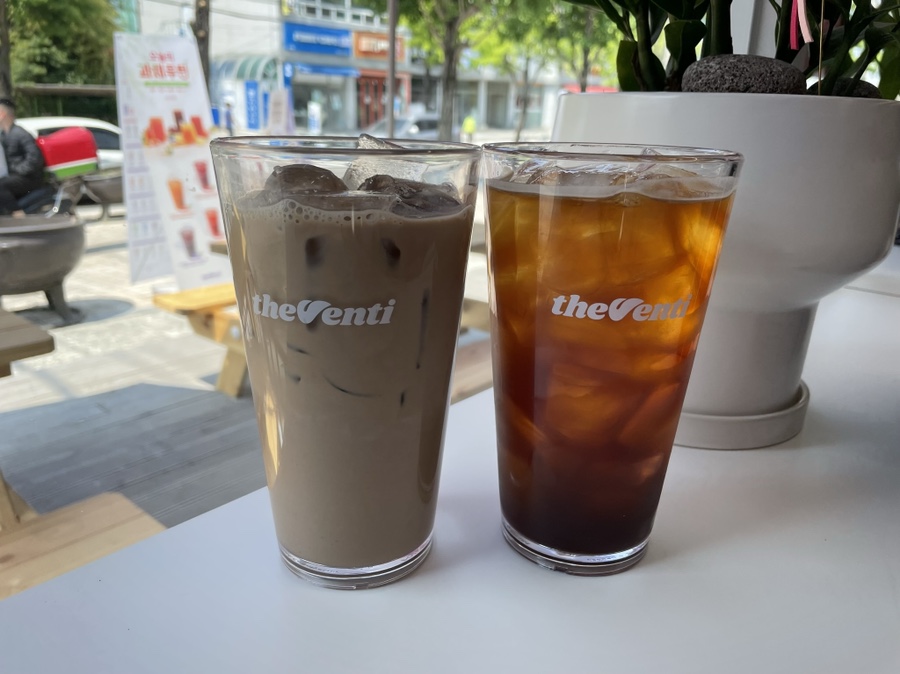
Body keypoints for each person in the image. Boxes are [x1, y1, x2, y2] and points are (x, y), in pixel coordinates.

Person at [0, 98, 45, 216]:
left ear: (2, 114)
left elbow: (35, 158)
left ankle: (17, 214)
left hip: (28, 178)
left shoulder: (21, 134)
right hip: (14, 177)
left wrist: (17, 171)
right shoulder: (4, 135)